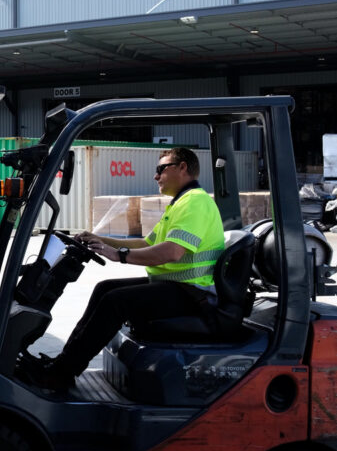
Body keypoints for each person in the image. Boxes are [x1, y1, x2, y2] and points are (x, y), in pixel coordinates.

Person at [23, 147, 225, 391]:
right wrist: (102, 240)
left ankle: (62, 373)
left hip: (192, 294)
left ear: (183, 167)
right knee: (104, 289)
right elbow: (147, 244)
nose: (156, 176)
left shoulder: (195, 202)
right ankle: (63, 364)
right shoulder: (180, 203)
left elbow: (172, 251)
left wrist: (119, 256)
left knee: (115, 301)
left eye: (161, 169)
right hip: (177, 288)